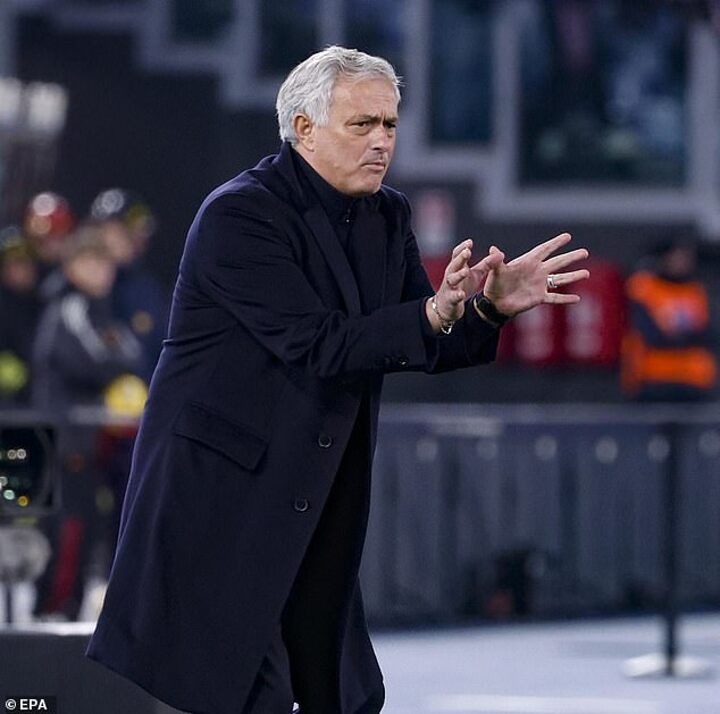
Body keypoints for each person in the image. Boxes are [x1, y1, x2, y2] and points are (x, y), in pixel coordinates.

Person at [86, 46, 589, 714]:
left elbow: (422, 342)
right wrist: (431, 313)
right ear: (304, 128)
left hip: (315, 498)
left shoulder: (388, 215)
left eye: (390, 124)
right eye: (362, 124)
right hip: (223, 502)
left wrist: (486, 309)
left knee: (346, 696)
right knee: (247, 694)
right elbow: (318, 343)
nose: (382, 141)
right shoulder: (240, 215)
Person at [621, 236, 717, 401]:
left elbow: (709, 334)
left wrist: (681, 335)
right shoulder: (643, 287)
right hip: (653, 379)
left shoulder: (697, 290)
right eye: (676, 256)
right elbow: (653, 335)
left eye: (686, 257)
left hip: (694, 379)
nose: (682, 262)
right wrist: (686, 336)